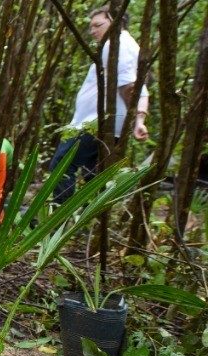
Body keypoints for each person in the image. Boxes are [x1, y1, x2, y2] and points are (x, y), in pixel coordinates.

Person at [49, 4, 150, 205]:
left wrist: (135, 120)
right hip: (103, 124)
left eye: (98, 25)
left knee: (62, 164)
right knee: (93, 176)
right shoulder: (125, 45)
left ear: (116, 21)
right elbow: (141, 89)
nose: (92, 31)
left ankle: (59, 216)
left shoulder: (118, 44)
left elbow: (129, 86)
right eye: (91, 27)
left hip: (96, 123)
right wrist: (139, 120)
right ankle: (88, 219)